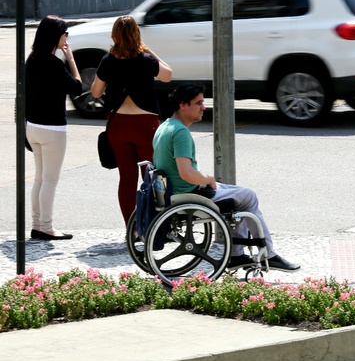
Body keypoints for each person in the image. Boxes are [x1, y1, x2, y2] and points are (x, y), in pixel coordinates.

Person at [152, 83, 300, 272]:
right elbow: (186, 173)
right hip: (189, 194)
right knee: (248, 197)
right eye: (198, 103)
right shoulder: (180, 132)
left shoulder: (164, 126)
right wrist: (208, 179)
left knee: (240, 195)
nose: (203, 107)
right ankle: (266, 255)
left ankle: (239, 254)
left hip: (174, 193)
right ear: (183, 105)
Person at [91, 16, 172, 225]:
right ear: (137, 35)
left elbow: (95, 92)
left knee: (127, 178)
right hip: (145, 125)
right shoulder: (146, 60)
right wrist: (148, 51)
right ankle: (153, 224)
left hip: (118, 124)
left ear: (114, 36)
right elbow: (168, 75)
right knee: (151, 175)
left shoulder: (108, 60)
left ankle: (132, 227)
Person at [25, 15, 83, 240]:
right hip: (53, 129)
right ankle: (47, 227)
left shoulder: (32, 59)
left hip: (33, 126)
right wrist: (71, 59)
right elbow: (77, 87)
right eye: (65, 34)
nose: (67, 38)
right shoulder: (54, 63)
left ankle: (37, 224)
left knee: (40, 178)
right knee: (49, 180)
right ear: (56, 36)